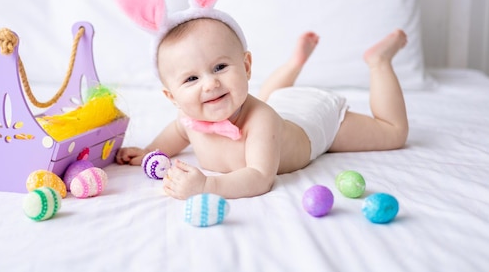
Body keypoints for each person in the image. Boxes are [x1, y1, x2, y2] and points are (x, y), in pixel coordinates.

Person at [116, 17, 409, 200]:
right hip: (280, 103)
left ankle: (379, 62)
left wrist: (208, 186)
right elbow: (177, 132)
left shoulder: (261, 121)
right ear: (173, 97)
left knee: (392, 133)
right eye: (191, 78)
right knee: (269, 98)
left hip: (314, 122)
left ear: (246, 66)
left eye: (220, 67)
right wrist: (151, 149)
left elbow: (260, 177)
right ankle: (295, 63)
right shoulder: (189, 115)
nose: (210, 84)